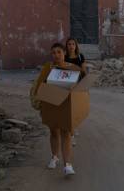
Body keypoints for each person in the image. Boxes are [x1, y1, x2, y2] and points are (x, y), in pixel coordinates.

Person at [29, 42, 79, 176]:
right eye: (53, 53)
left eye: (59, 52)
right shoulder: (47, 68)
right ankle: (54, 157)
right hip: (50, 104)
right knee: (54, 132)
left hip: (66, 105)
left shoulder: (73, 69)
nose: (56, 55)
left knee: (66, 133)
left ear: (64, 54)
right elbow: (39, 86)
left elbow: (79, 89)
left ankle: (68, 165)